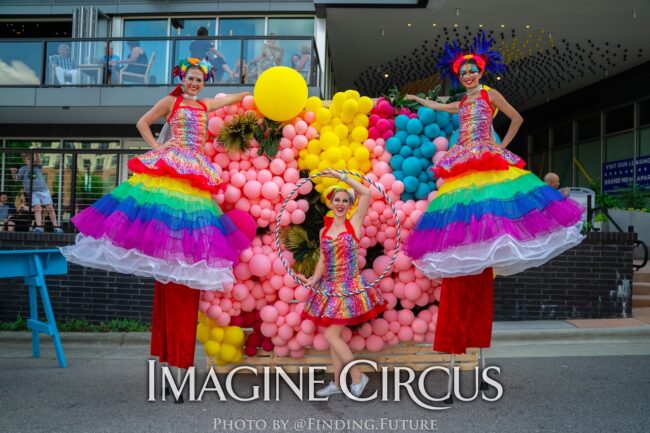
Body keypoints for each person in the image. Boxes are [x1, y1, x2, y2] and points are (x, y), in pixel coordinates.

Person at [60, 58, 253, 383]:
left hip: (193, 174)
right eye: (190, 78)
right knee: (163, 224)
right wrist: (159, 147)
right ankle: (172, 363)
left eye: (199, 79)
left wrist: (254, 92)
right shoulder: (171, 101)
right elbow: (142, 122)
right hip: (172, 165)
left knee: (185, 229)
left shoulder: (205, 104)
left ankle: (176, 364)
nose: (194, 83)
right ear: (182, 78)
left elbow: (232, 99)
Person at [404, 33, 584, 355]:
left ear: (481, 72)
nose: (469, 76)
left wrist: (501, 146)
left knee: (494, 205)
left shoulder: (489, 94)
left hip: (485, 155)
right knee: (467, 208)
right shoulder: (462, 101)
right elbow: (442, 106)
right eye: (463, 74)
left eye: (472, 71)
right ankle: (476, 259)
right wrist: (420, 101)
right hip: (463, 158)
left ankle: (490, 254)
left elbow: (517, 118)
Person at [297, 169, 385, 398]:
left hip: (349, 287)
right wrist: (314, 279)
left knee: (331, 336)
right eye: (337, 199)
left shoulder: (354, 223)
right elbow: (324, 259)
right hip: (329, 287)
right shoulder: (323, 230)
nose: (340, 203)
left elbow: (365, 194)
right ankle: (337, 383)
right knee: (332, 336)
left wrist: (342, 177)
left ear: (348, 205)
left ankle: (357, 376)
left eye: (345, 200)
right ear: (330, 201)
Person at [10, 153, 63, 234]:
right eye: (28, 159)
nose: (31, 160)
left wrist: (36, 153)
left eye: (32, 159)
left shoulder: (37, 166)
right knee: (37, 208)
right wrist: (13, 173)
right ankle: (39, 227)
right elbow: (16, 179)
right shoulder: (23, 168)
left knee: (50, 207)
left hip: (43, 190)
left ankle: (56, 227)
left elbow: (38, 159)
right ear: (24, 160)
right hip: (32, 192)